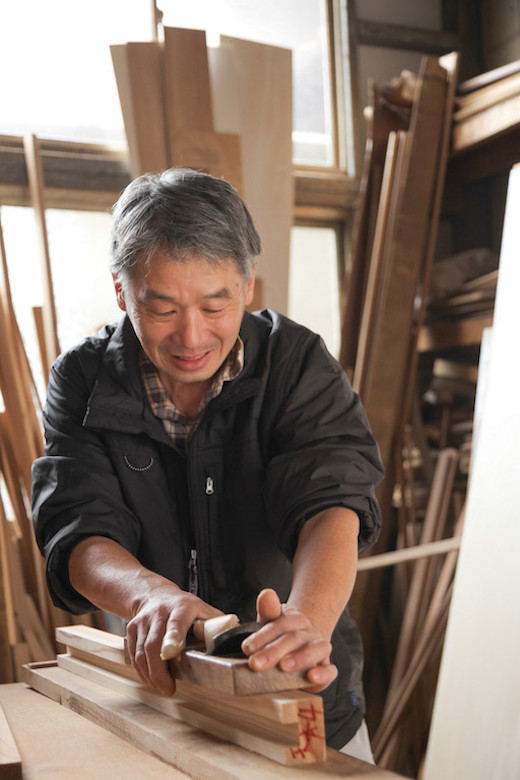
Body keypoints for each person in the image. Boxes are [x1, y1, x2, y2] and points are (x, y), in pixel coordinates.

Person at [32, 167, 384, 761]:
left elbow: (332, 501)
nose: (191, 337)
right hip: (162, 695)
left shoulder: (296, 363)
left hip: (301, 697)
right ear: (121, 290)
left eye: (216, 305)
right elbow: (77, 526)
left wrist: (304, 624)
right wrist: (148, 596)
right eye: (162, 308)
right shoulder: (83, 379)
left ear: (247, 285)